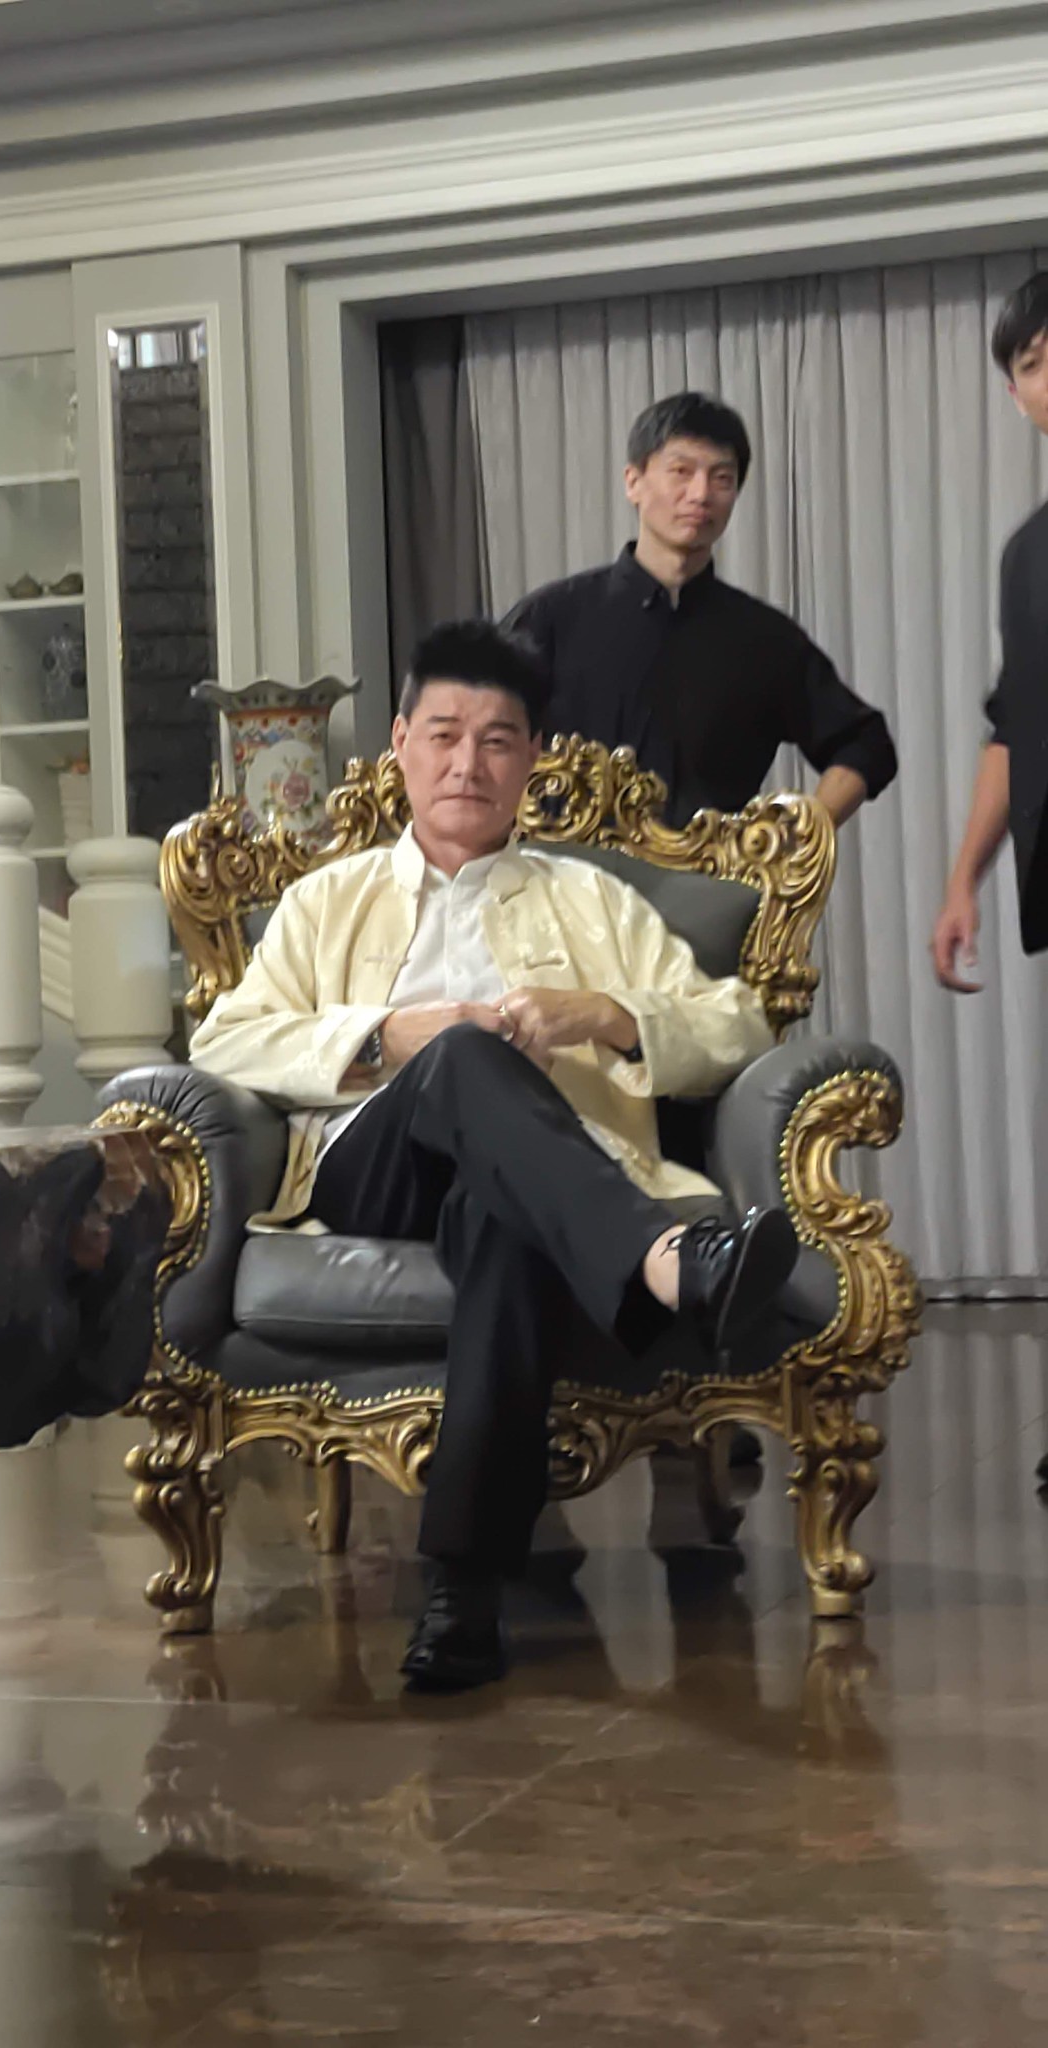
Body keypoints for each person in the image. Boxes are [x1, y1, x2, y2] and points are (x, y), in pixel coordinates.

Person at [189, 619, 797, 1691]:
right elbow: (223, 1042)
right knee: (461, 1053)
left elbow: (736, 1024)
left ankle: (462, 1596)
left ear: (532, 760)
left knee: (504, 1227)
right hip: (369, 1172)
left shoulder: (590, 898)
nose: (467, 763)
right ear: (400, 745)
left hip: (534, 1185)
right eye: (443, 735)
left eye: (498, 740)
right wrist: (387, 1037)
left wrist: (604, 1013)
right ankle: (667, 1259)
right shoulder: (327, 897)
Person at [505, 390, 898, 830]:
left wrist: (796, 838)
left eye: (722, 479)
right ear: (633, 482)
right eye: (681, 471)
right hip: (563, 869)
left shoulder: (764, 639)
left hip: (712, 871)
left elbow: (866, 743)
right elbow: (473, 727)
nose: (700, 494)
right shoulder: (551, 618)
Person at [932, 271, 1048, 1488]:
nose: (1046, 376)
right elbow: (1012, 726)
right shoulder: (1026, 556)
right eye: (1030, 361)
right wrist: (965, 875)